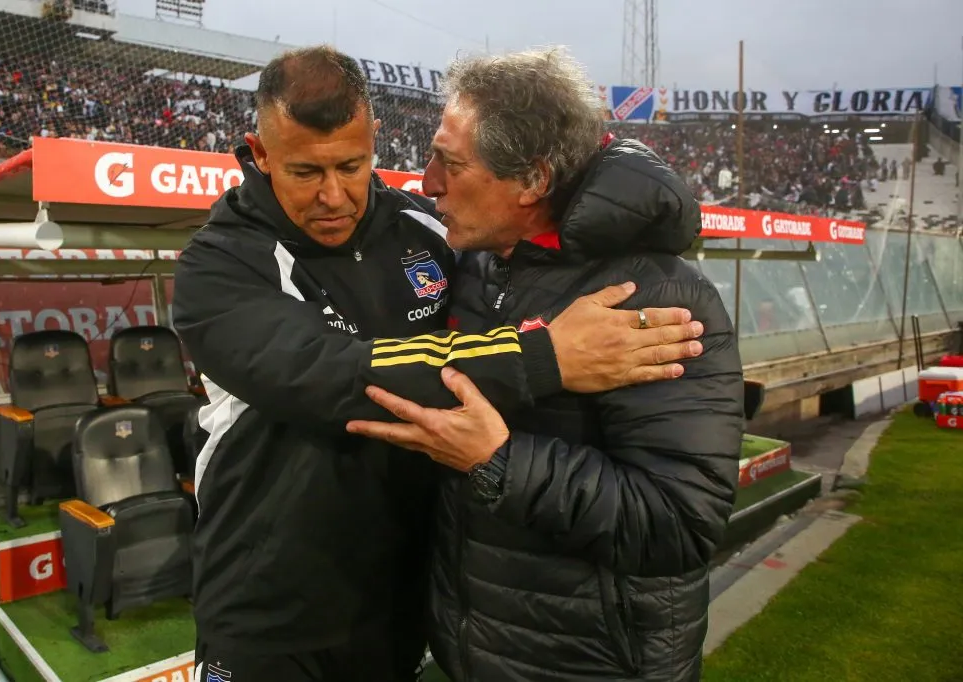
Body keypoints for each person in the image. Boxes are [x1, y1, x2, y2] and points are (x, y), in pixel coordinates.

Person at [170, 46, 707, 682]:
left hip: (403, 600)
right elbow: (334, 374)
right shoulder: (218, 267)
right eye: (305, 172)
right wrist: (546, 356)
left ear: (374, 141)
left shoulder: (430, 232)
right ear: (260, 156)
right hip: (266, 608)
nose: (334, 195)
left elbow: (537, 226)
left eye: (351, 164)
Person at [347, 48, 745, 681]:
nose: (428, 183)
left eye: (451, 163)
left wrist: (496, 461)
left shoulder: (656, 295)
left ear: (532, 181)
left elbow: (679, 523)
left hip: (592, 665)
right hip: (477, 653)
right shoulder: (481, 265)